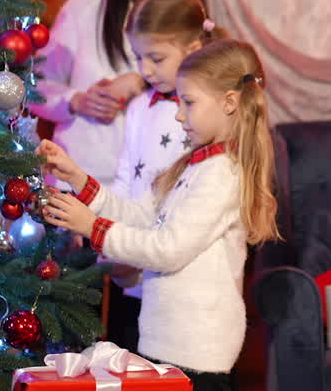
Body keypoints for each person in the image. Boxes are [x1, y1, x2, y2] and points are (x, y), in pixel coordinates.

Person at [38, 40, 280, 391]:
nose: (179, 114)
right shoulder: (196, 167)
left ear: (229, 102)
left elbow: (167, 249)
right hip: (167, 344)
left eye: (189, 102)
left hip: (196, 353)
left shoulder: (222, 174)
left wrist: (92, 227)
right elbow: (140, 217)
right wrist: (79, 179)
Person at [29, 0, 203, 190]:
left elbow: (207, 105)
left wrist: (141, 82)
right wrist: (76, 101)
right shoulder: (83, 7)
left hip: (151, 193)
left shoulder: (191, 24)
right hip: (73, 184)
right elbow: (34, 89)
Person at [106, 0, 227, 350]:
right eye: (138, 57)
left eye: (156, 58)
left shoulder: (204, 116)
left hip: (181, 276)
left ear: (192, 49)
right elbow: (126, 175)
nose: (144, 70)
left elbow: (192, 203)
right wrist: (114, 246)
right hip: (133, 265)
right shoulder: (140, 106)